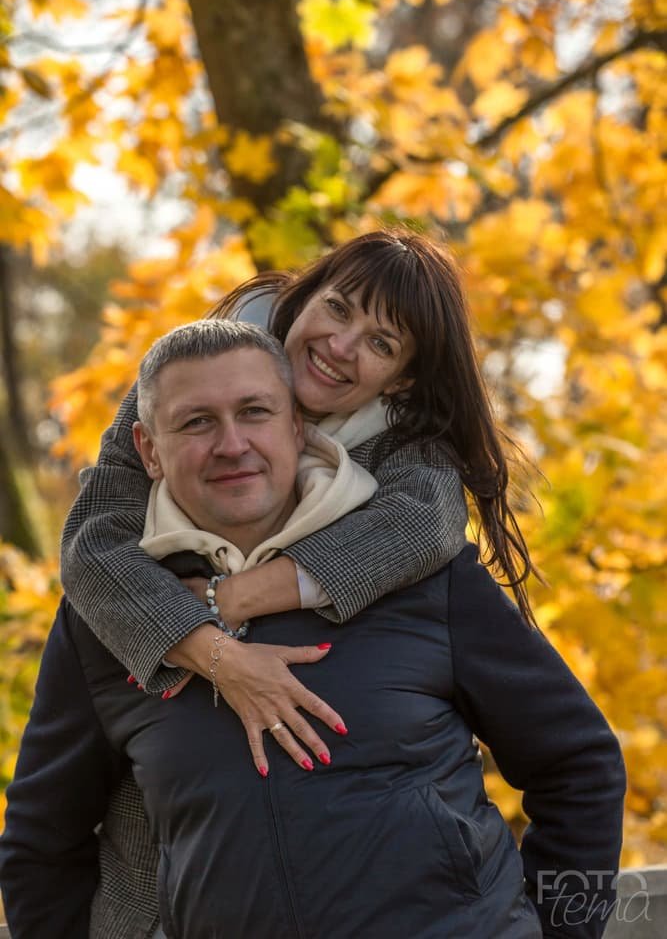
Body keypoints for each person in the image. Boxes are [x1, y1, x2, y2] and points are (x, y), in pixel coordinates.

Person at [0, 321, 626, 939]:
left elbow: (579, 763)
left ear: (297, 426)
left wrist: (566, 932)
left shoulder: (423, 576)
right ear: (148, 451)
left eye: (255, 412)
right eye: (197, 422)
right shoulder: (109, 617)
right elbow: (40, 844)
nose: (232, 444)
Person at [59, 229, 536, 775]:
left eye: (381, 344)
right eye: (337, 308)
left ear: (402, 380)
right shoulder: (191, 378)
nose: (340, 346)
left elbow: (425, 524)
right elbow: (92, 544)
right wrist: (219, 655)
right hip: (171, 808)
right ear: (304, 297)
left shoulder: (406, 452)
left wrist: (229, 598)